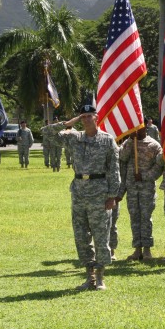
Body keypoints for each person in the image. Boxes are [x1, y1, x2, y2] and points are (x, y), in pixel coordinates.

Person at [50, 104, 120, 291]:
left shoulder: (107, 140)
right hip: (79, 193)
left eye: (89, 116)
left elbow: (114, 170)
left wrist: (113, 195)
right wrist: (66, 124)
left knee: (100, 235)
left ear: (96, 118)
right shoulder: (74, 138)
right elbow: (48, 134)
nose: (86, 120)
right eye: (83, 117)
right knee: (81, 236)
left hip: (99, 194)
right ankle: (89, 276)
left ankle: (100, 277)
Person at [119, 126, 163, 261]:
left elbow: (159, 166)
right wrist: (131, 140)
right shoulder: (129, 142)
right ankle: (137, 249)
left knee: (146, 217)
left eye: (140, 127)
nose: (137, 130)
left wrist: (145, 176)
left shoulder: (154, 145)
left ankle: (147, 250)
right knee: (134, 218)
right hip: (132, 187)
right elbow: (122, 157)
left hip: (146, 187)